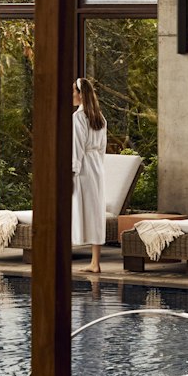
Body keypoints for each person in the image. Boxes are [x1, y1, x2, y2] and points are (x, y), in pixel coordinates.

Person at [72, 77, 110, 273]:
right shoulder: (100, 118)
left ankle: (64, 255)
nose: (72, 95)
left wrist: (72, 173)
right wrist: (99, 167)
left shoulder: (78, 118)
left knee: (75, 210)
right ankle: (95, 262)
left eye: (74, 91)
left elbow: (77, 148)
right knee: (95, 213)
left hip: (83, 169)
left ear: (80, 95)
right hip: (97, 168)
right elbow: (102, 149)